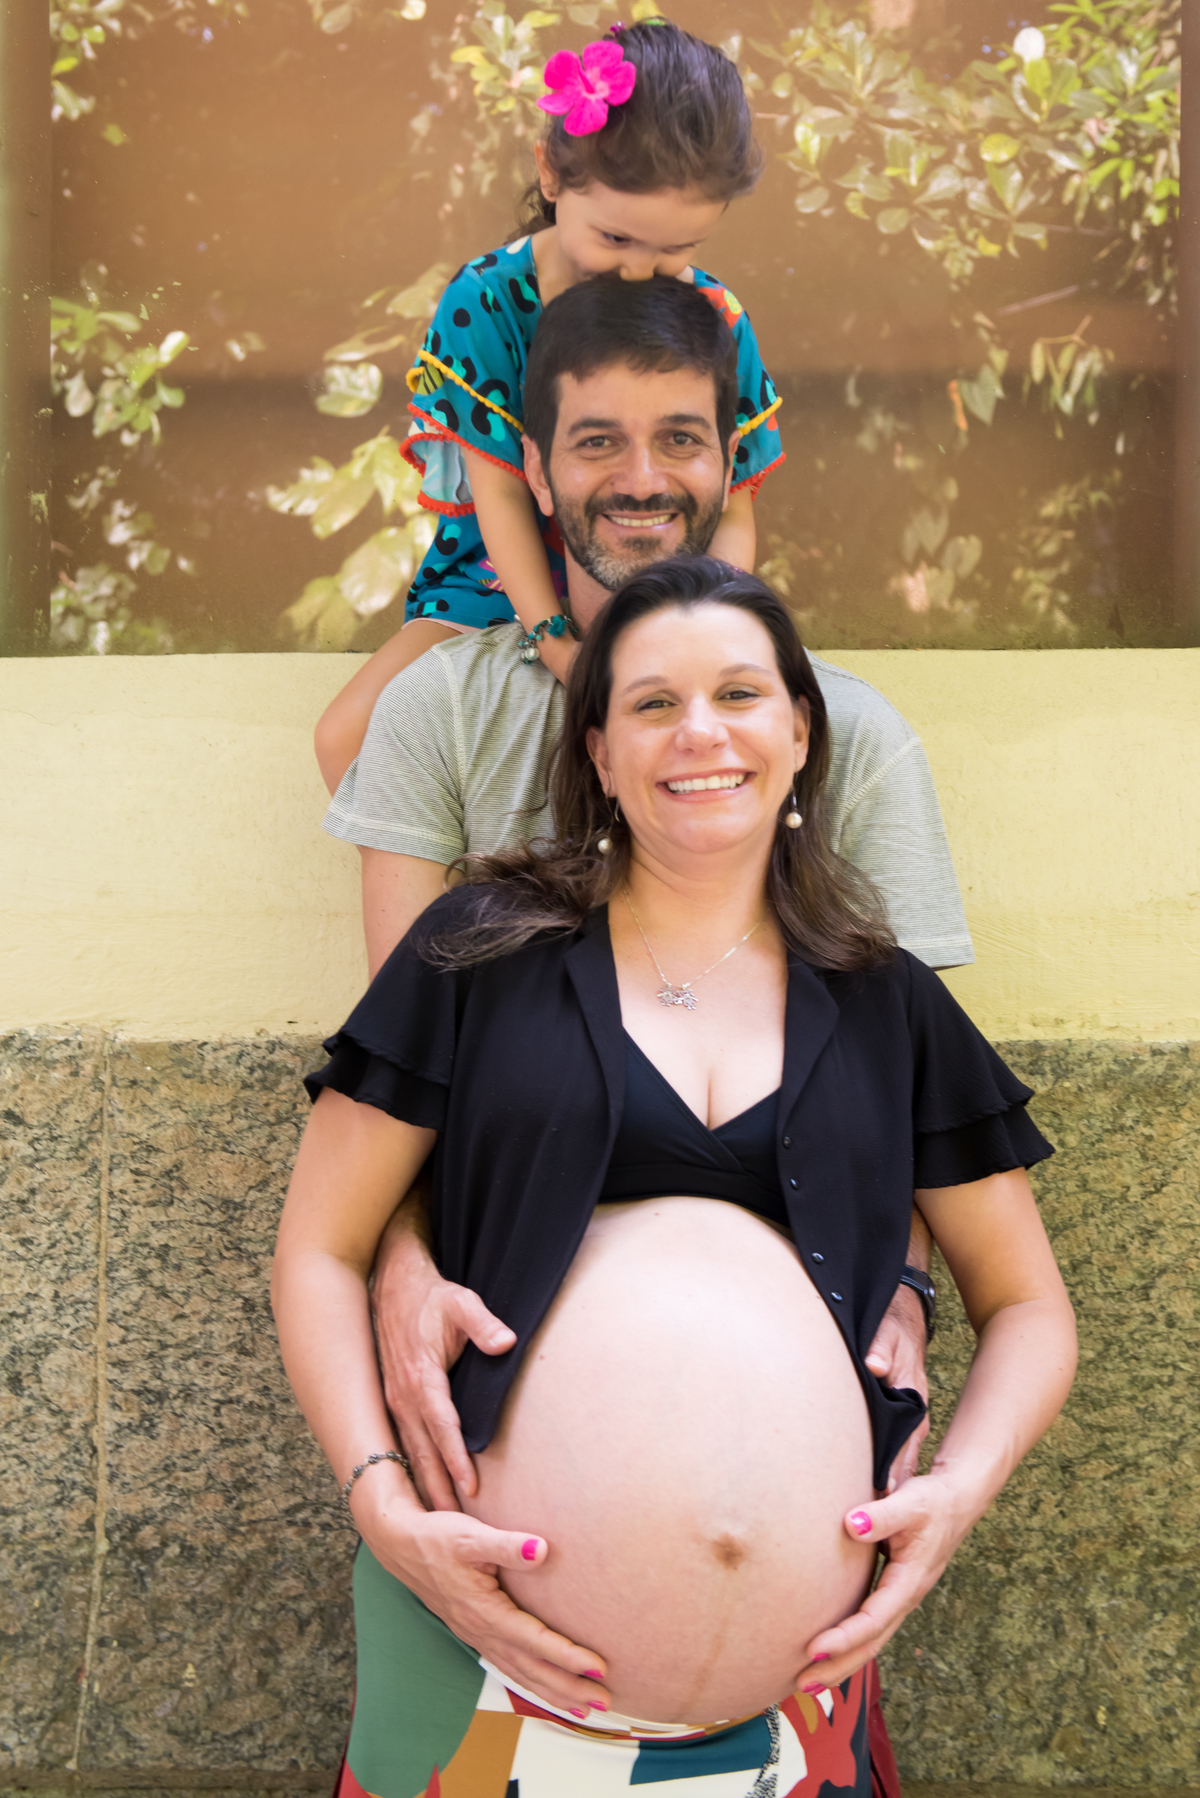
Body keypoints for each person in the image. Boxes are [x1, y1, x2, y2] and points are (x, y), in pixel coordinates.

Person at [274, 559, 1077, 1798]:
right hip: (472, 1665)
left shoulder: (889, 1001)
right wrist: (381, 1502)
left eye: (739, 694)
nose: (700, 731)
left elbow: (1028, 1303)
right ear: (599, 752)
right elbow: (321, 1249)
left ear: (799, 732)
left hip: (797, 1712)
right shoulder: (476, 953)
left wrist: (955, 1499)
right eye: (653, 703)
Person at [313, 18, 782, 784]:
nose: (641, 272)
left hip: (660, 579)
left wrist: (707, 627)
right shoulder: (484, 303)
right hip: (495, 583)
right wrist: (559, 649)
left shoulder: (716, 317)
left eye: (677, 249)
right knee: (344, 739)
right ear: (551, 174)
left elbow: (732, 509)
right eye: (617, 239)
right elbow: (499, 495)